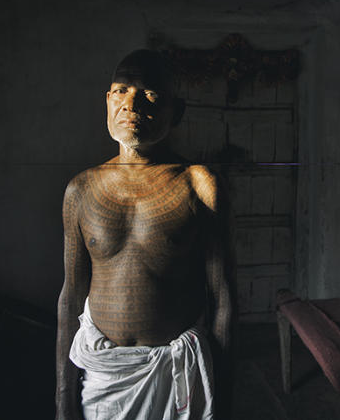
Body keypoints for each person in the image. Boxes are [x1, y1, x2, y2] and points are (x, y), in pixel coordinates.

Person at [55, 49, 236, 420]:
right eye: (121, 91)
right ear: (108, 101)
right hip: (104, 379)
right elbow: (71, 297)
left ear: (177, 111)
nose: (131, 104)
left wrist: (223, 394)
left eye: (149, 94)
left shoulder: (199, 184)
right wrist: (63, 399)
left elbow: (223, 298)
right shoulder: (81, 189)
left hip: (174, 377)